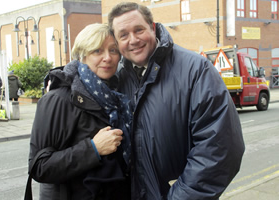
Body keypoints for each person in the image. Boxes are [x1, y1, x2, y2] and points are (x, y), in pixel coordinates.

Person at [108, 2, 245, 199]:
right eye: (123, 35)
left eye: (139, 30)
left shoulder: (197, 70)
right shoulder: (117, 78)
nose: (133, 40)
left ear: (153, 28)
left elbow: (220, 148)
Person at [29, 23, 131, 200]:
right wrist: (93, 149)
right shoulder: (59, 99)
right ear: (82, 56)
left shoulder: (119, 97)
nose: (107, 58)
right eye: (97, 51)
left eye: (113, 50)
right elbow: (39, 167)